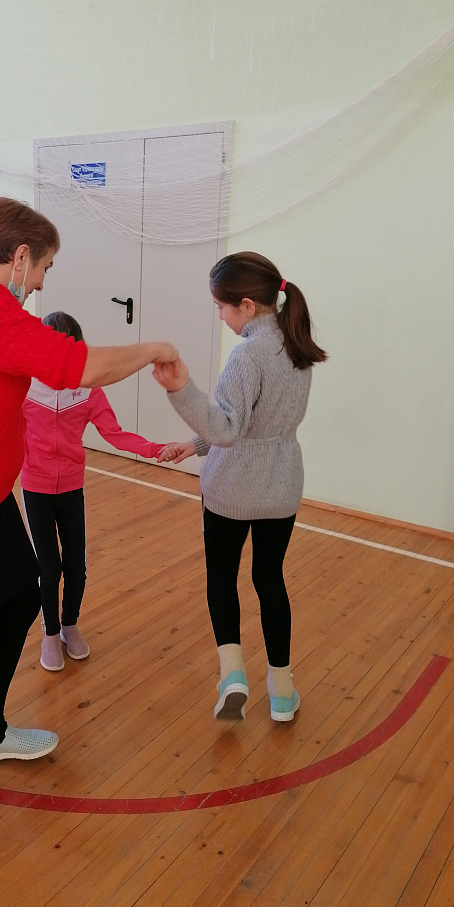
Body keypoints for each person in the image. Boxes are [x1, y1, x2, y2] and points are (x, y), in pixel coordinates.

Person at [0, 196, 180, 798]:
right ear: (20, 256)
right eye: (45, 266)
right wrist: (156, 349)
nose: (43, 282)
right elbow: (81, 368)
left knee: (23, 596)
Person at [154, 252, 326, 724]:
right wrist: (193, 445)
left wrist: (181, 390)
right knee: (270, 580)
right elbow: (255, 425)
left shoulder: (246, 355)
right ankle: (282, 691)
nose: (220, 316)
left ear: (247, 306)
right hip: (282, 485)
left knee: (222, 578)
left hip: (232, 489)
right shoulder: (296, 345)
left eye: (221, 307)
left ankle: (232, 674)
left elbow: (230, 430)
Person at [21, 311, 166, 672]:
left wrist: (154, 449)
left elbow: (114, 434)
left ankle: (69, 624)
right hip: (36, 488)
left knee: (76, 566)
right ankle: (50, 633)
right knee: (49, 568)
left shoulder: (88, 389)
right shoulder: (25, 387)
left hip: (71, 488)